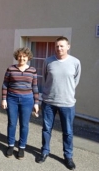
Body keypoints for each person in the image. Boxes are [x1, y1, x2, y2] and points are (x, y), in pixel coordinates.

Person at [36, 36, 81, 170]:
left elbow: (75, 81)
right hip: (49, 102)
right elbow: (45, 78)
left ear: (68, 46)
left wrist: (66, 92)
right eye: (57, 46)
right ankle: (44, 151)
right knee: (46, 129)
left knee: (67, 131)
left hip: (67, 103)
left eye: (62, 46)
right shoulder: (48, 61)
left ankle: (68, 156)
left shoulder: (75, 62)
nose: (59, 48)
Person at [1, 47, 39, 159]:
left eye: (24, 56)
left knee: (24, 124)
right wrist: (4, 99)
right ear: (17, 57)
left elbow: (35, 87)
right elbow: (5, 85)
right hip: (12, 99)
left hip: (27, 100)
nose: (22, 58)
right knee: (12, 123)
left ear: (28, 57)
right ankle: (11, 145)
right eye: (20, 56)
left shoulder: (33, 70)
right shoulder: (10, 69)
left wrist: (36, 103)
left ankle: (22, 147)